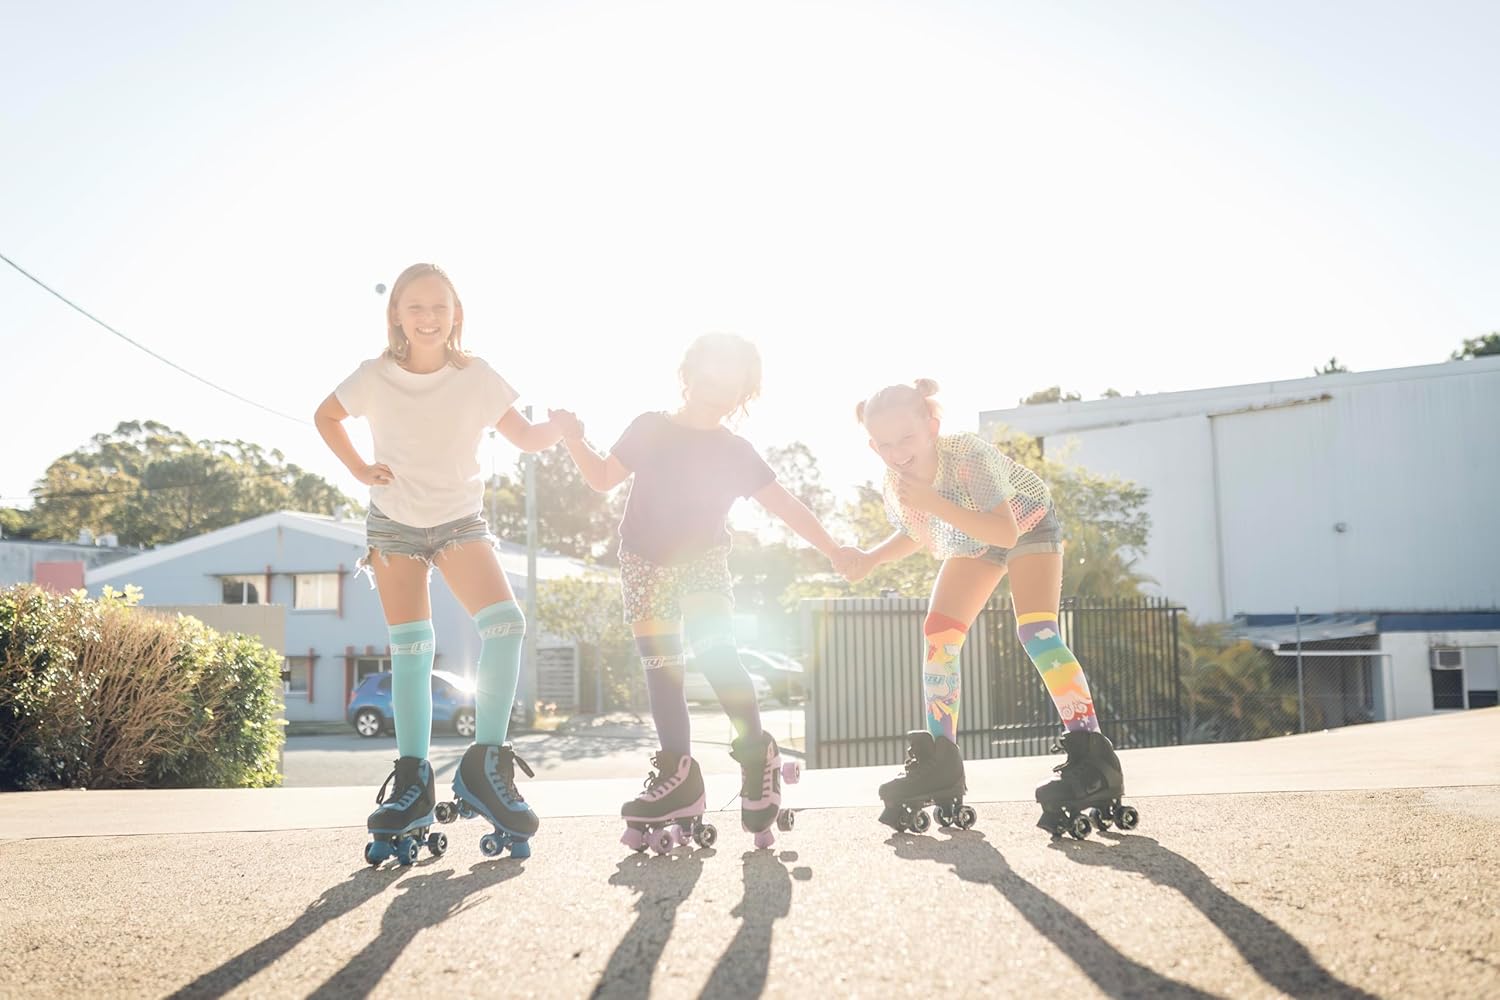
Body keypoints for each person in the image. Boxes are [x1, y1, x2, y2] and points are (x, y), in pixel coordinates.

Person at [314, 262, 573, 864]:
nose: (428, 318)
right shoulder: (373, 376)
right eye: (416, 307)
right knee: (413, 647)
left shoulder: (477, 376)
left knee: (506, 624)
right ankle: (412, 783)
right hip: (395, 526)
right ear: (397, 315)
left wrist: (558, 427)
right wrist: (358, 468)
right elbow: (326, 415)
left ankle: (485, 764)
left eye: (439, 307)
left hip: (460, 523)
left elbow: (528, 438)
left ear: (456, 314)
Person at [559, 333, 852, 850]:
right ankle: (679, 775)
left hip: (703, 562)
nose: (718, 389)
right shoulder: (650, 427)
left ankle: (757, 754)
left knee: (718, 657)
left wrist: (832, 547)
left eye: (731, 383)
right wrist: (572, 437)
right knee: (662, 671)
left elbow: (785, 506)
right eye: (710, 377)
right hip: (642, 559)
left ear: (744, 393)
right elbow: (603, 477)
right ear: (687, 375)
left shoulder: (735, 452)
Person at [840, 379, 1130, 836]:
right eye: (885, 444)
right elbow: (917, 532)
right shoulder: (897, 481)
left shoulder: (967, 457)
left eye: (907, 438)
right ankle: (942, 761)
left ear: (932, 427)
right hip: (973, 538)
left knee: (1036, 632)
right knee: (939, 632)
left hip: (1026, 523)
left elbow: (1005, 532)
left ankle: (1094, 759)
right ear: (873, 446)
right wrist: (870, 557)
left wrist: (935, 502)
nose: (897, 452)